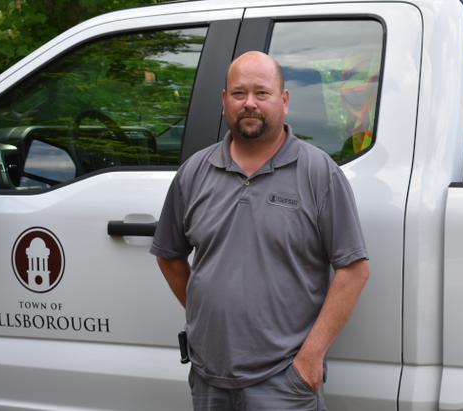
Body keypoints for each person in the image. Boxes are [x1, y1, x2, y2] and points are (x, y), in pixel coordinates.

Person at [150, 51, 369, 411]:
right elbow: (169, 255)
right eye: (238, 93)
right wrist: (204, 318)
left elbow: (354, 270)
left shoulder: (319, 173)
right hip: (208, 375)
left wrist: (310, 358)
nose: (249, 103)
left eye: (262, 93)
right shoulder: (193, 173)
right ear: (224, 102)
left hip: (284, 380)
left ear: (283, 102)